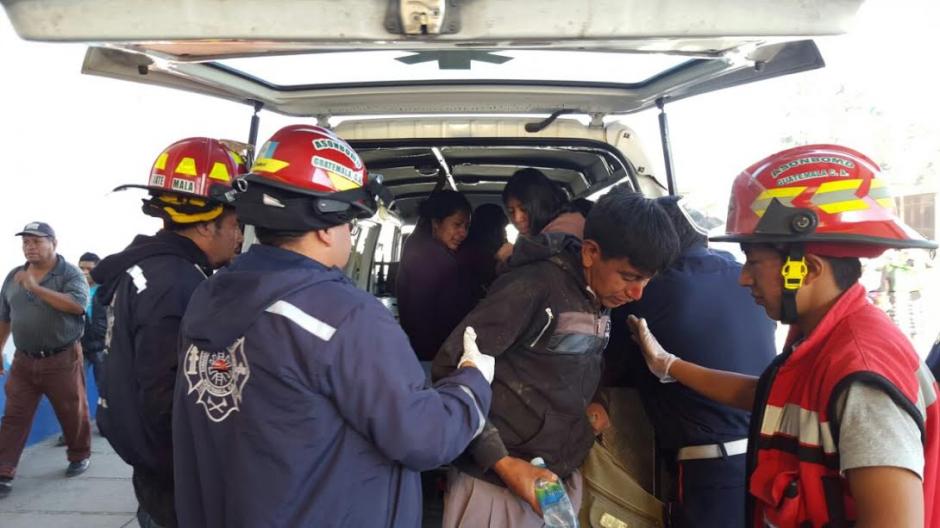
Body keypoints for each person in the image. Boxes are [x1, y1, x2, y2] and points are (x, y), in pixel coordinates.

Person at [172, 124, 494, 528]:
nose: (348, 233)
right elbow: (424, 437)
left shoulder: (208, 295)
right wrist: (472, 383)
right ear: (326, 226)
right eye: (350, 224)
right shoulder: (344, 317)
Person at [630, 145, 940, 528]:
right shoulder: (823, 341)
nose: (744, 277)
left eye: (754, 262)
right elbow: (765, 396)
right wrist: (668, 365)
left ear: (805, 269)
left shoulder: (861, 370)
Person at [432, 185, 680, 527]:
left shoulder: (600, 295)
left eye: (646, 281)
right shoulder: (535, 285)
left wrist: (594, 401)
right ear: (591, 253)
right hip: (496, 482)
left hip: (556, 476)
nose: (637, 294)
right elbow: (450, 369)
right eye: (630, 277)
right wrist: (503, 463)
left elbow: (582, 357)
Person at [91, 138, 245, 528]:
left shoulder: (143, 270)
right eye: (236, 225)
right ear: (209, 224)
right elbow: (167, 399)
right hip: (173, 482)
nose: (240, 237)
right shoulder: (178, 286)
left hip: (147, 471)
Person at [603, 195, 776, 527]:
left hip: (712, 473)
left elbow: (609, 360)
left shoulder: (648, 290)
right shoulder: (743, 276)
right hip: (767, 459)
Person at [0, 222, 91, 498]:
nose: (30, 246)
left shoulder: (70, 274)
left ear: (54, 243)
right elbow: (5, 316)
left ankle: (79, 455)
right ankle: (4, 470)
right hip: (23, 361)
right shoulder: (14, 276)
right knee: (14, 415)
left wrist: (36, 288)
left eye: (37, 241)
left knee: (71, 411)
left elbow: (77, 305)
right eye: (26, 242)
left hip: (61, 358)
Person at [397, 190, 475, 361]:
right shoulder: (429, 256)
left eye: (466, 227)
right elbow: (422, 320)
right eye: (457, 224)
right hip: (434, 356)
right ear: (436, 223)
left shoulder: (420, 244)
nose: (463, 233)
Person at [497, 168, 585, 264]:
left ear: (542, 204)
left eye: (524, 209)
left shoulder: (569, 224)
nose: (517, 219)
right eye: (511, 211)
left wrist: (512, 255)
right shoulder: (532, 231)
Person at [458, 203, 509, 301]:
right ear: (494, 229)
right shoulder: (479, 256)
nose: (505, 234)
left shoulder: (466, 250)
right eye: (503, 228)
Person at [78, 252, 106, 394]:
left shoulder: (107, 289)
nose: (84, 272)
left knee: (106, 388)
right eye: (81, 268)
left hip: (103, 347)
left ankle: (106, 417)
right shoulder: (75, 290)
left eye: (89, 269)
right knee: (75, 390)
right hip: (80, 348)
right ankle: (80, 417)